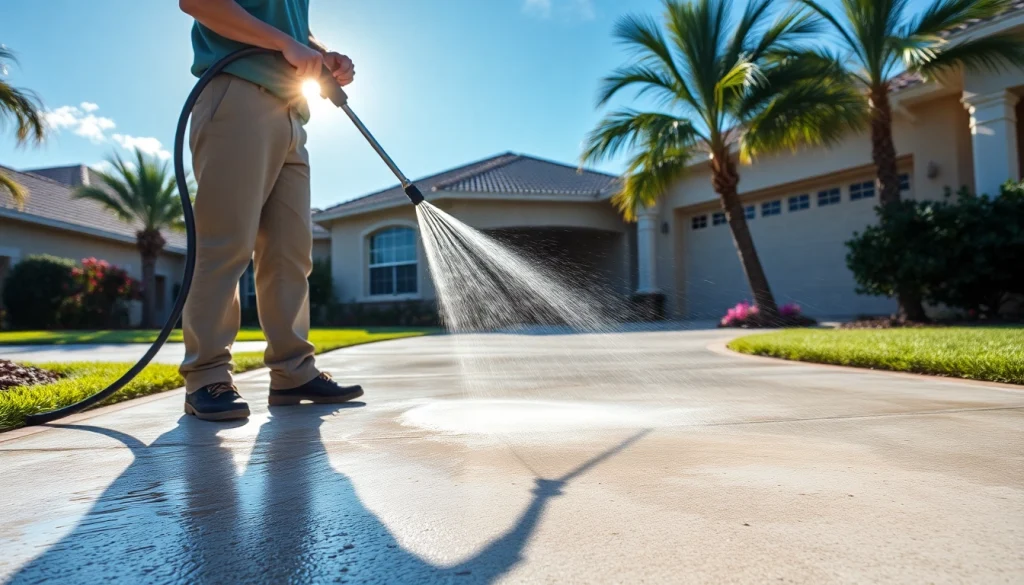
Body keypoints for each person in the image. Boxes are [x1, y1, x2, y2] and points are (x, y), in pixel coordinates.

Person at [178, 0, 361, 421]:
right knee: (226, 242)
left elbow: (288, 27)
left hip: (293, 111)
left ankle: (293, 371)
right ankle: (206, 376)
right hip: (237, 91)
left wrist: (319, 52)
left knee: (290, 251)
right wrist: (285, 44)